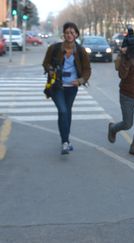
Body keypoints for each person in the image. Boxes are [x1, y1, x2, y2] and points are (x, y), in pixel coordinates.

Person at [42, 22, 91, 155]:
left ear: (76, 34)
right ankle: (65, 142)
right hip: (57, 86)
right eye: (67, 32)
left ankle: (66, 140)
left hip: (72, 87)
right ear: (63, 34)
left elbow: (87, 69)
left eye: (72, 32)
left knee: (67, 112)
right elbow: (45, 63)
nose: (69, 35)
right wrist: (50, 69)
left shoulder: (80, 51)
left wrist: (81, 80)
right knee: (63, 111)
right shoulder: (54, 48)